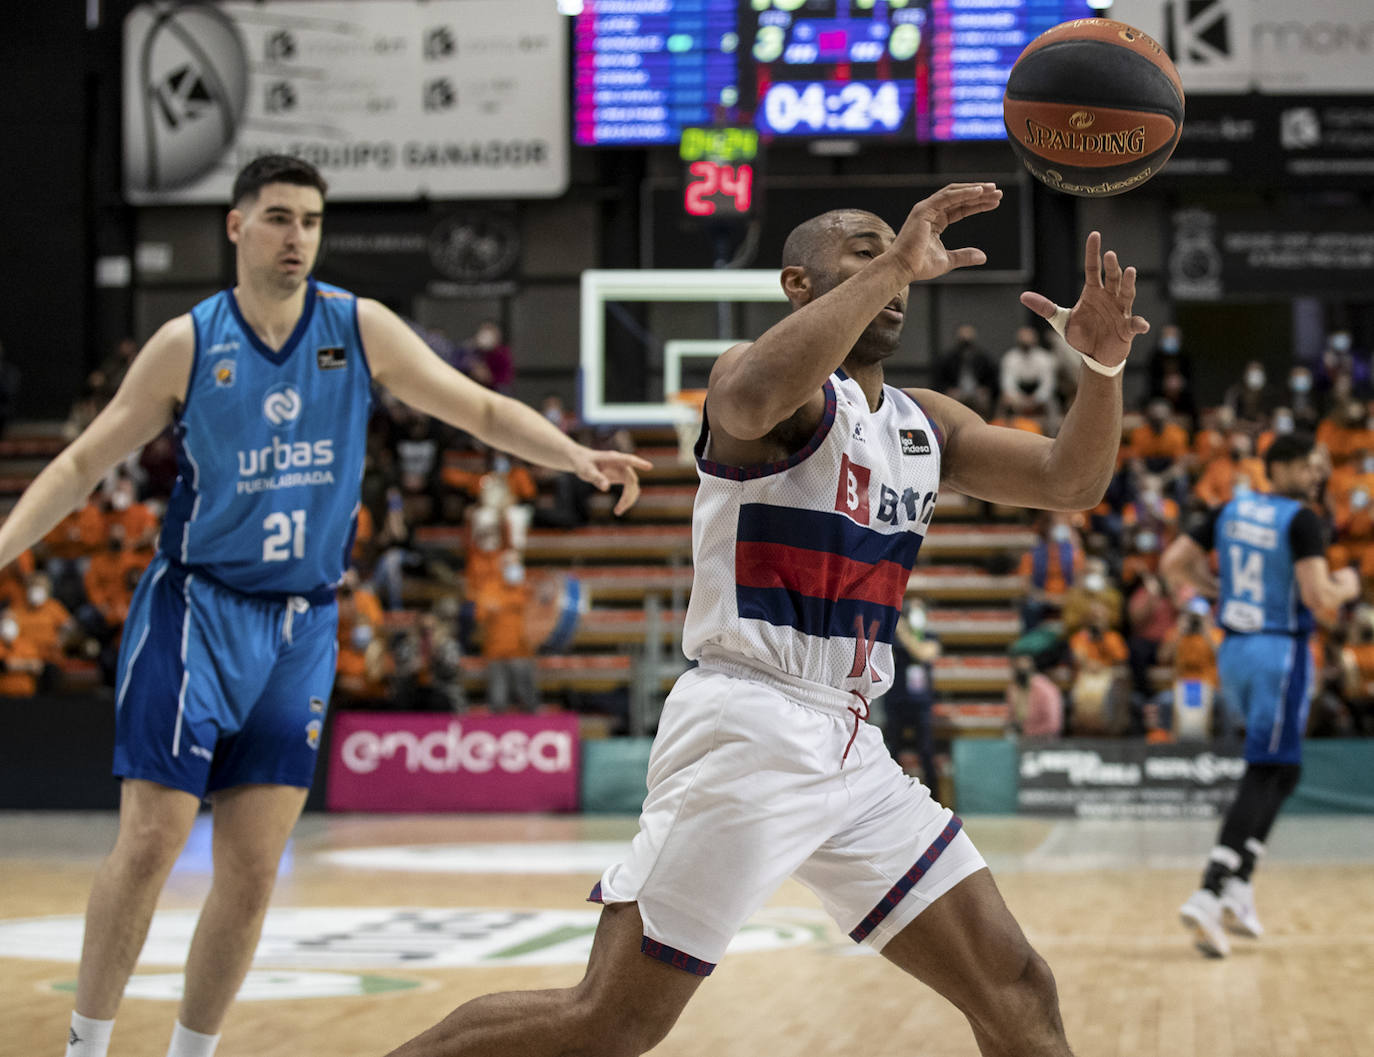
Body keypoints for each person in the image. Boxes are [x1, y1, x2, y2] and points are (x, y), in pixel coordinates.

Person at [379, 183, 1150, 1057]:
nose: (894, 269)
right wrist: (901, 255)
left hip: (853, 742)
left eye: (896, 256)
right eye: (864, 251)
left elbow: (1068, 481)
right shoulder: (768, 387)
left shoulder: (924, 422)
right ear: (798, 282)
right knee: (607, 1021)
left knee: (1017, 988)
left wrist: (1102, 371)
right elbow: (748, 405)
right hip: (748, 722)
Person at [0, 155, 650, 1057]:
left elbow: (482, 411)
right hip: (197, 609)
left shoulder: (359, 326)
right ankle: (86, 1047)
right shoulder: (190, 343)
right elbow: (79, 464)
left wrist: (575, 455)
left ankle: (193, 1051)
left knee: (256, 869)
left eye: (308, 219)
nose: (296, 235)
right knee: (152, 841)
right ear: (236, 227)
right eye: (277, 217)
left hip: (302, 621)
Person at [1161, 432, 1359, 958]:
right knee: (1266, 767)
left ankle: (1242, 884)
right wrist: (1349, 586)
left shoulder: (1229, 510)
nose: (1319, 475)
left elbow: (1173, 564)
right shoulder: (1301, 520)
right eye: (1312, 467)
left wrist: (1216, 591)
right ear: (1286, 468)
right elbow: (1318, 597)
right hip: (1280, 653)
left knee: (1286, 767)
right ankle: (1210, 889)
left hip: (1235, 653)